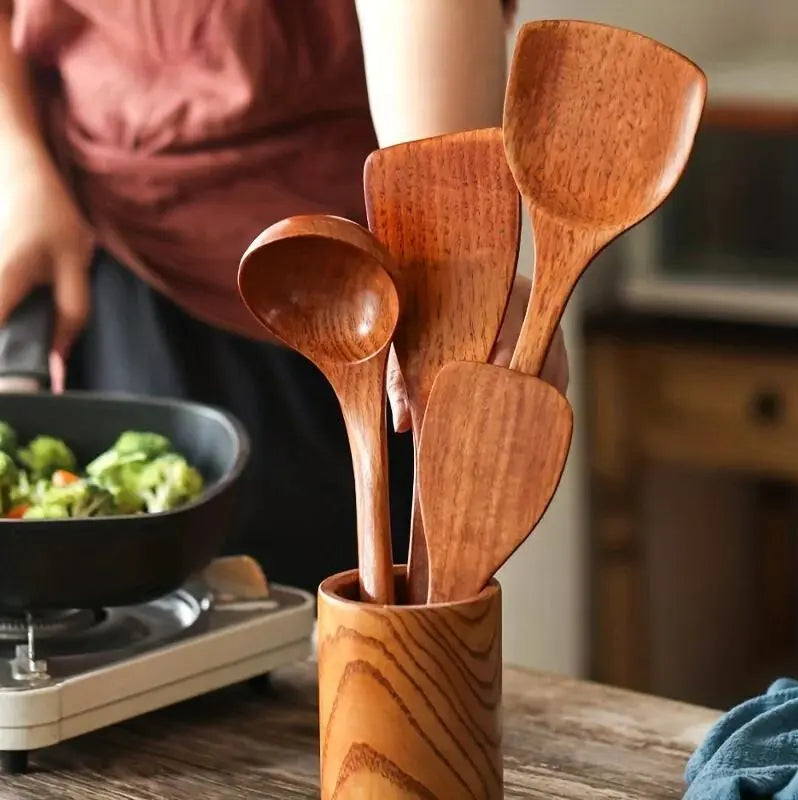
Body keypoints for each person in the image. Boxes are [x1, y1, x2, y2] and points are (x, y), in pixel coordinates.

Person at [0, 0, 568, 593]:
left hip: (365, 295)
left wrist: (454, 259)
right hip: (115, 258)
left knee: (354, 636)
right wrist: (19, 172)